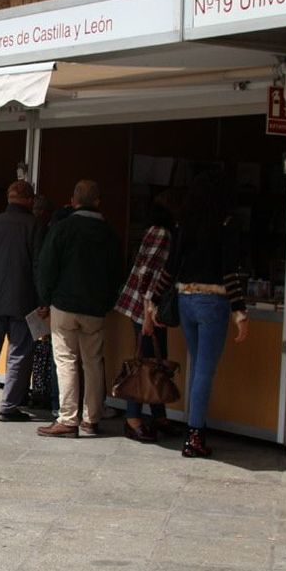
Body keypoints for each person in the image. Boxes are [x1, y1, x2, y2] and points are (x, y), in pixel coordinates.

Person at [152, 170, 249, 458]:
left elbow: (170, 266)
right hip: (212, 302)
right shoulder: (227, 224)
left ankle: (194, 428)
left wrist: (153, 300)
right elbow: (230, 271)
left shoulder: (185, 223)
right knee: (205, 371)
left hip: (185, 299)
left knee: (197, 368)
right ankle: (194, 436)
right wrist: (240, 311)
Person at [35, 180, 124, 439]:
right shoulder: (109, 233)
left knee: (65, 360)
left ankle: (67, 418)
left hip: (64, 304)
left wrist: (46, 297)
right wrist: (106, 302)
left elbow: (46, 266)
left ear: (73, 201)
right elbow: (117, 272)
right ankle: (91, 419)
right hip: (95, 307)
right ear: (98, 202)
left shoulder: (63, 228)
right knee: (93, 362)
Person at [0, 180, 43, 421]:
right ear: (30, 200)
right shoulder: (33, 225)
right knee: (19, 353)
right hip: (22, 300)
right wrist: (42, 299)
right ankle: (9, 406)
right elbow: (37, 266)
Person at [117, 190, 180, 443]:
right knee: (144, 364)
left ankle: (158, 414)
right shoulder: (162, 233)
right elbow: (147, 272)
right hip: (147, 308)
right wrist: (147, 313)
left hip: (148, 307)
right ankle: (133, 418)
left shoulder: (155, 231)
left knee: (155, 360)